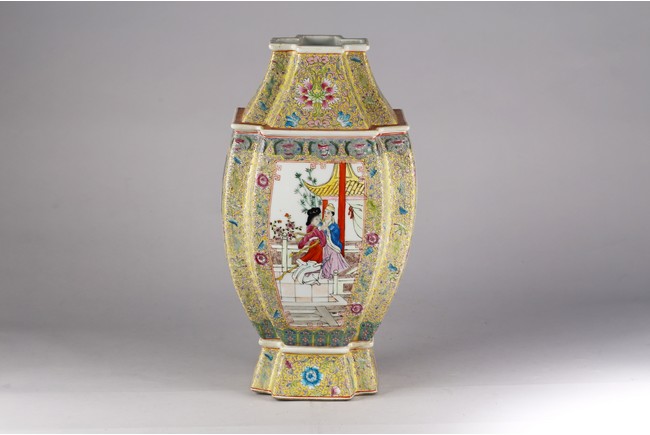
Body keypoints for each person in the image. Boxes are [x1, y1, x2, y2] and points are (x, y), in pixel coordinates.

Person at [291, 207, 325, 285]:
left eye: (319, 219)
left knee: (310, 265)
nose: (319, 221)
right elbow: (308, 238)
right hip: (316, 248)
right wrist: (301, 244)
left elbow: (307, 238)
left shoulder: (315, 229)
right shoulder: (314, 230)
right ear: (311, 220)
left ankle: (298, 276)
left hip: (316, 247)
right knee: (312, 265)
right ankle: (300, 277)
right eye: (316, 219)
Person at [320, 203, 350, 280]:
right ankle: (326, 274)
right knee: (325, 260)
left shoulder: (334, 226)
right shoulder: (322, 223)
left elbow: (336, 236)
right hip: (326, 246)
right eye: (325, 212)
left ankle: (333, 274)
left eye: (328, 213)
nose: (326, 214)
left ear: (332, 215)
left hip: (333, 246)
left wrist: (328, 231)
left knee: (333, 256)